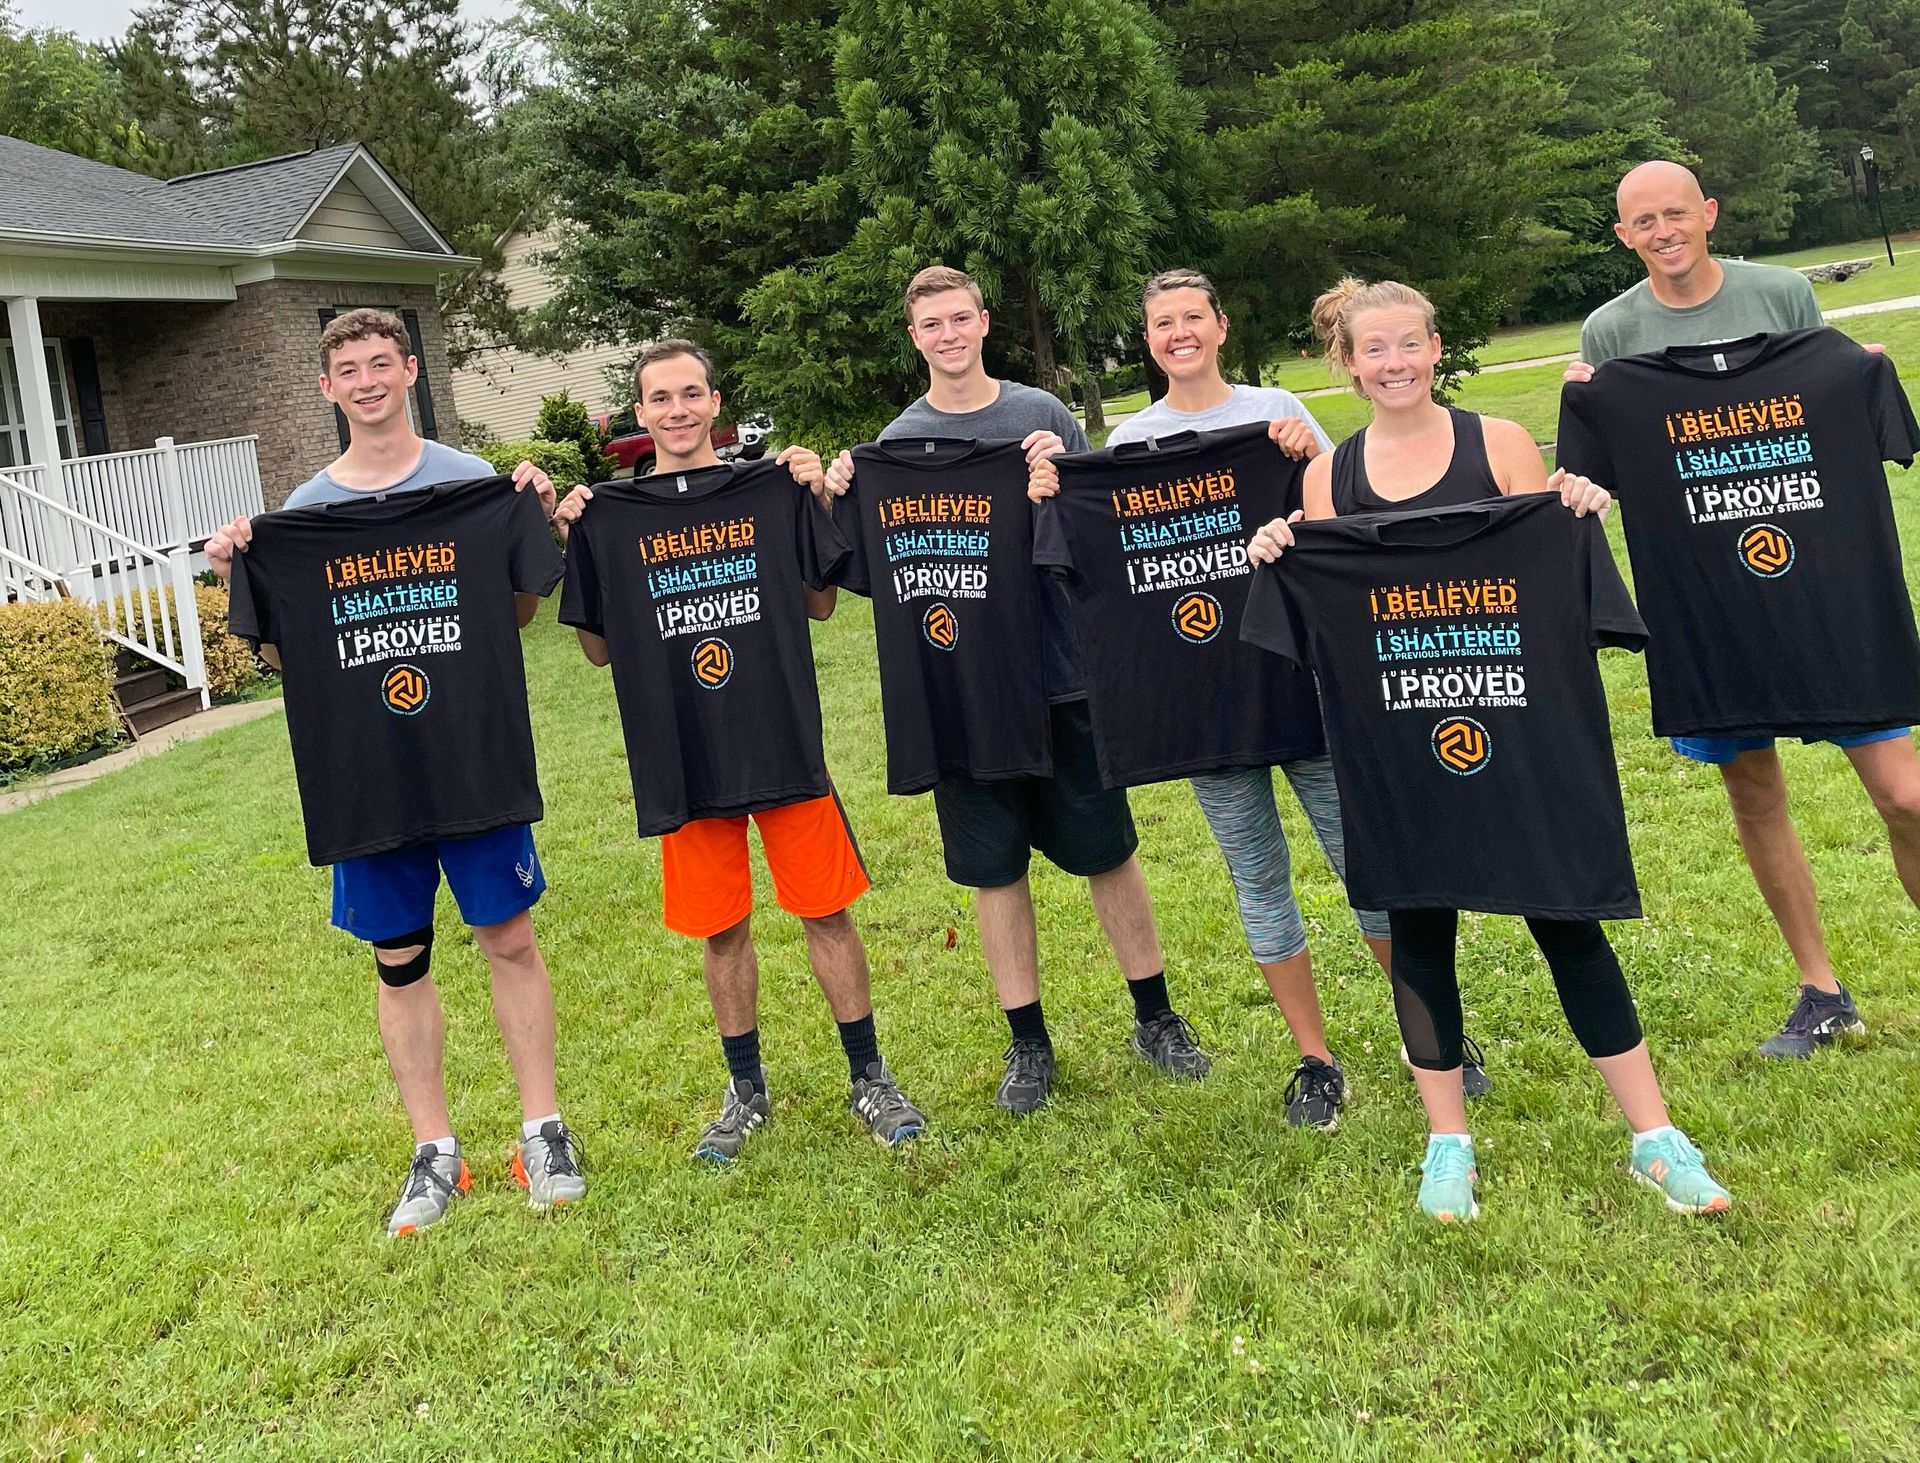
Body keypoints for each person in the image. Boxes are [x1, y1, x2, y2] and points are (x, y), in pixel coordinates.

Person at [1249, 277, 1731, 1222]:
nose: (1394, 364)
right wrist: (1282, 549)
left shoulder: (1498, 445)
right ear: (1345, 363)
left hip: (1519, 731)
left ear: (1437, 348)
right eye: (1373, 349)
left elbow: (1553, 571)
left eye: (1409, 344)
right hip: (1398, 748)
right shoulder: (1326, 479)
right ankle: (1447, 1144)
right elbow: (1329, 617)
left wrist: (1577, 502)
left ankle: (1654, 1136)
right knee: (1419, 937)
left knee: (1568, 923)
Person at [1027, 267, 1495, 1129]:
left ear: (1221, 325)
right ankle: (1314, 1058)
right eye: (1162, 322)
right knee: (1258, 880)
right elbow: (1082, 565)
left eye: (1192, 317)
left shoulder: (1277, 415)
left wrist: (1306, 457)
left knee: (1369, 865)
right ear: (1149, 338)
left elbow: (1345, 507)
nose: (1179, 333)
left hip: (1304, 681)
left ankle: (1430, 1032)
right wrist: (1055, 496)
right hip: (1201, 705)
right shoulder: (1125, 447)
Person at [205, 307, 582, 1236]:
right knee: (399, 958)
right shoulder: (302, 514)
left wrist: (525, 512)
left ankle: (544, 1128)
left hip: (472, 758)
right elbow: (296, 660)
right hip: (368, 774)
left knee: (510, 940)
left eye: (382, 362)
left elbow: (520, 613)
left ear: (409, 370)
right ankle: (434, 1153)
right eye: (349, 369)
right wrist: (237, 572)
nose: (367, 381)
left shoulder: (468, 486)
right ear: (327, 389)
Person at [822, 264, 1210, 1113]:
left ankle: (1157, 1016)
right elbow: (857, 573)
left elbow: (1097, 537)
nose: (949, 335)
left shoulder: (1043, 415)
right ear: (914, 337)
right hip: (960, 691)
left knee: (1109, 850)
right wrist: (840, 493)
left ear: (984, 321)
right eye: (932, 325)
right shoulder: (894, 446)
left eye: (961, 319)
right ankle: (1027, 1042)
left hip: (1063, 675)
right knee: (993, 870)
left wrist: (1059, 479)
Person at [1567, 159, 1920, 1060]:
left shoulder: (1782, 298)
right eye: (1642, 221)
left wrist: (1858, 369)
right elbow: (1601, 471)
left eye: (1675, 213)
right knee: (1754, 791)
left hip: (1828, 593)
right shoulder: (1610, 333)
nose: (1662, 230)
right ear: (1624, 235)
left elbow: (1830, 400)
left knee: (1906, 794)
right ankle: (1820, 987)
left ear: (1710, 214)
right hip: (1710, 605)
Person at [553, 339, 926, 1160]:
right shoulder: (609, 513)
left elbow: (822, 604)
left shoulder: (768, 489)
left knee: (825, 909)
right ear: (639, 414)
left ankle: (869, 1075)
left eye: (693, 393)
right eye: (661, 398)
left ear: (716, 403)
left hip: (781, 736)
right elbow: (599, 651)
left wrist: (808, 498)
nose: (678, 410)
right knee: (721, 929)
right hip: (684, 753)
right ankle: (745, 1088)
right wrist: (580, 533)